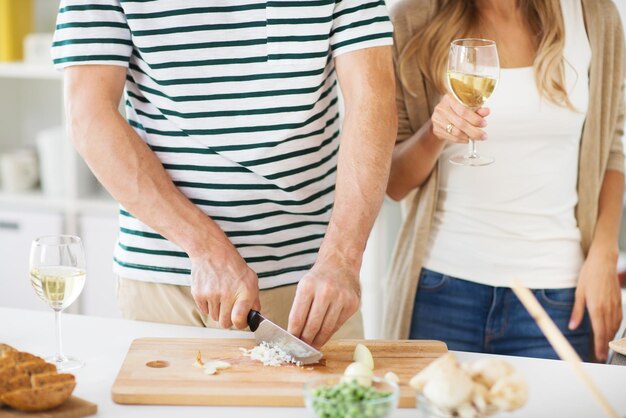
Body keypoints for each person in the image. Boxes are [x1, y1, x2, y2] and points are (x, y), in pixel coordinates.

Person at [52, 0, 397, 348]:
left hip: (310, 283)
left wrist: (342, 259)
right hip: (168, 279)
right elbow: (88, 114)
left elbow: (373, 97)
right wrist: (205, 249)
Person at [383, 0, 625, 361]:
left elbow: (615, 145)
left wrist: (605, 252)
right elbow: (394, 182)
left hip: (558, 292)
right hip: (442, 287)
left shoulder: (592, 15)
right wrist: (436, 133)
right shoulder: (412, 19)